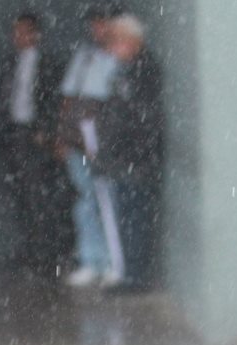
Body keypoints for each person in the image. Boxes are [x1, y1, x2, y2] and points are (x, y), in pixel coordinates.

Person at [93, 14, 164, 293]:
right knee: (127, 216)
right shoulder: (126, 70)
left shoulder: (143, 70)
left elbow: (136, 117)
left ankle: (134, 277)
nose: (112, 48)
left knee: (135, 217)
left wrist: (121, 147)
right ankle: (129, 274)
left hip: (135, 157)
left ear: (131, 42)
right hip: (125, 156)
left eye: (117, 41)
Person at [57, 4, 123, 288]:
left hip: (105, 136)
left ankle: (113, 261)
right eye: (94, 24)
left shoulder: (121, 59)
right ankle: (91, 260)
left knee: (108, 199)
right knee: (85, 198)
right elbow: (69, 99)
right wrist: (62, 136)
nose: (97, 29)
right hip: (79, 137)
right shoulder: (85, 56)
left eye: (103, 23)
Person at [0, 12, 69, 277]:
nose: (19, 37)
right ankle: (31, 250)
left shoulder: (48, 63)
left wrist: (46, 131)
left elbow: (54, 100)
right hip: (15, 132)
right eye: (16, 32)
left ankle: (46, 253)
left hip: (36, 134)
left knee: (39, 194)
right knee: (21, 194)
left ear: (36, 34)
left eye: (25, 31)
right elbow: (4, 99)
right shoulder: (8, 62)